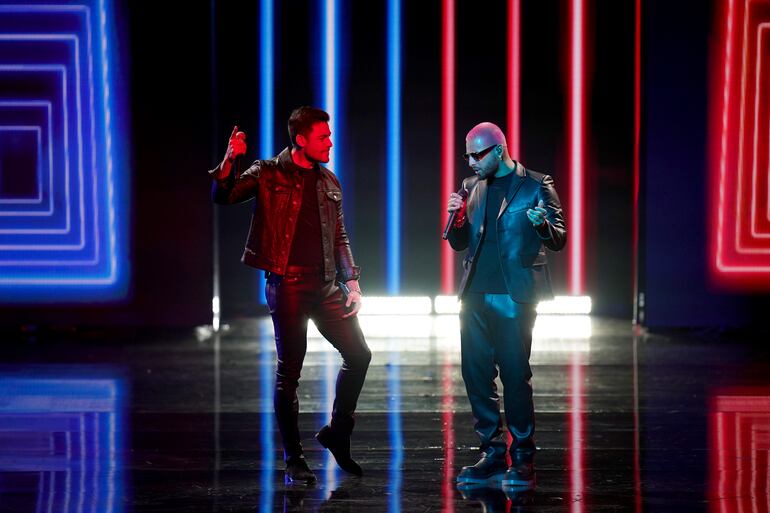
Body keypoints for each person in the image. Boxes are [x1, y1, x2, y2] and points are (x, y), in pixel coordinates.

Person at [209, 106, 371, 485]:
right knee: (289, 373)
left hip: (327, 284)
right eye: (322, 137)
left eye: (329, 136)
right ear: (300, 139)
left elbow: (340, 236)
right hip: (288, 286)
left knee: (359, 354)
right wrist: (230, 159)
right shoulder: (267, 173)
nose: (330, 142)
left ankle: (337, 432)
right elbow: (225, 195)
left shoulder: (330, 181)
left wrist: (352, 281)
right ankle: (294, 458)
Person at [446, 122, 567, 487]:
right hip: (475, 295)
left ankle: (524, 456)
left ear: (498, 150)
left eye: (477, 154)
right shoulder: (471, 187)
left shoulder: (536, 184)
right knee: (476, 374)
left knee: (515, 374)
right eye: (467, 154)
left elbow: (558, 238)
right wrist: (457, 219)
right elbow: (458, 242)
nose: (470, 162)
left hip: (514, 295)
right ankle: (492, 452)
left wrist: (543, 224)